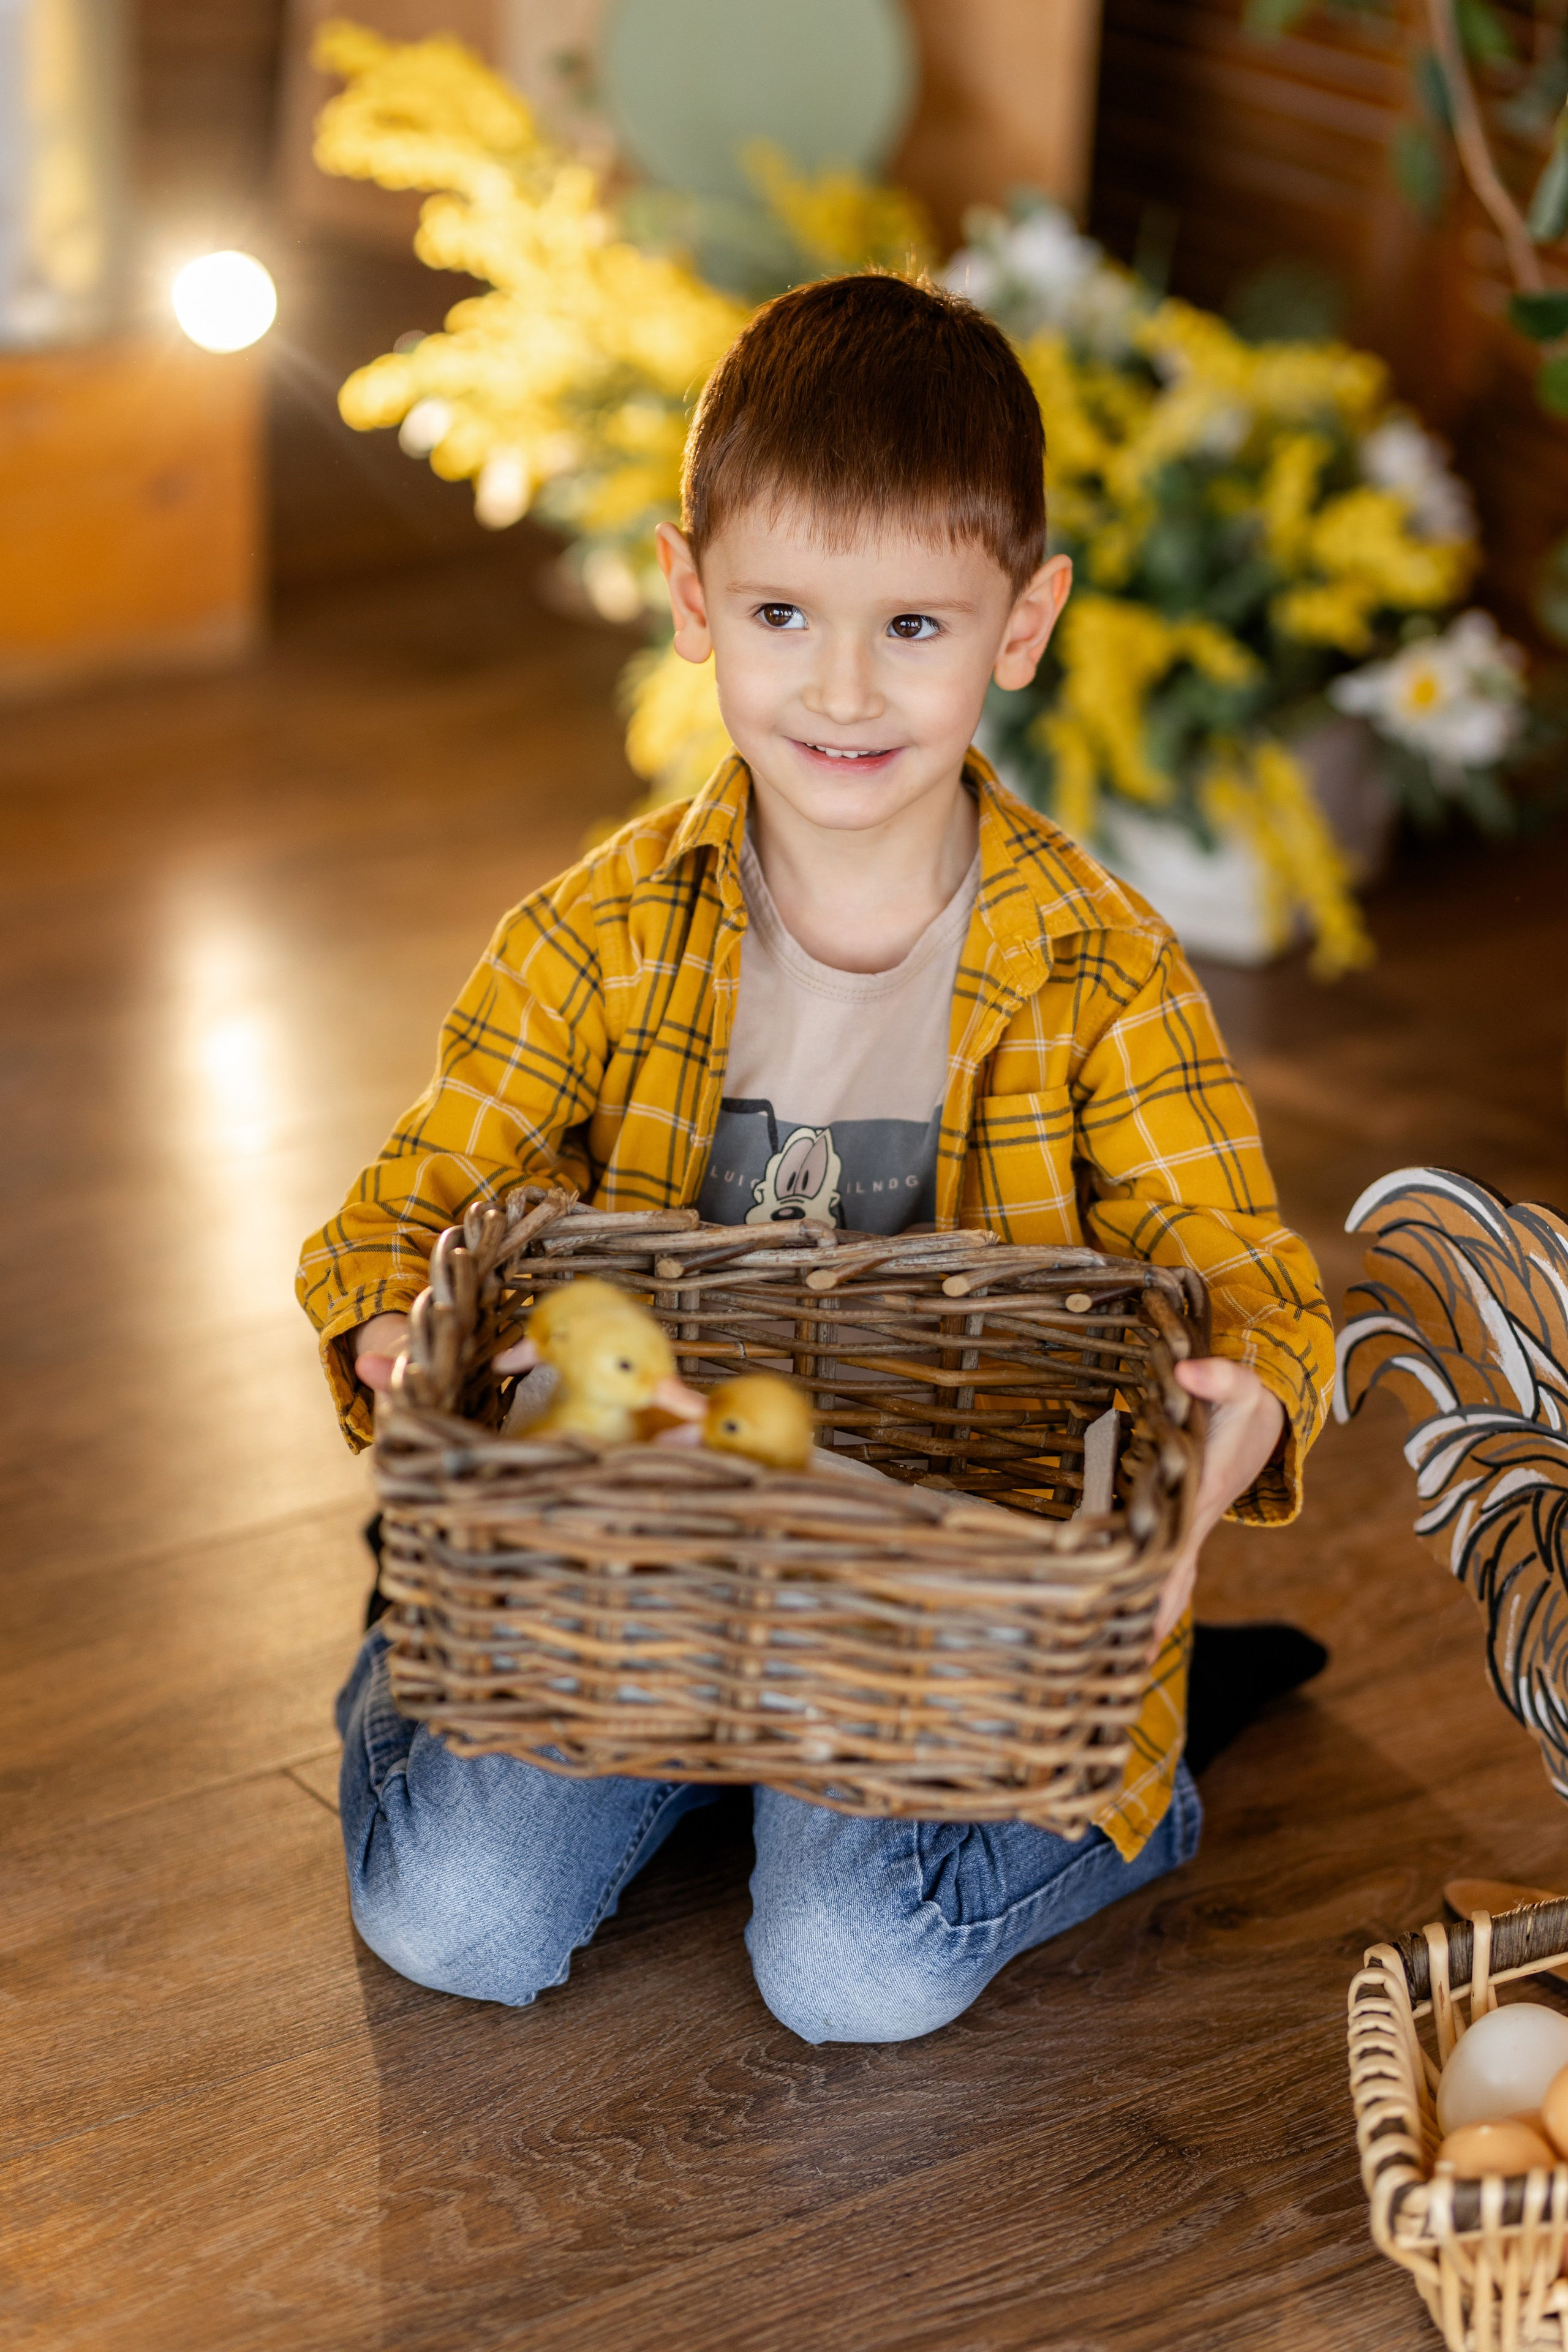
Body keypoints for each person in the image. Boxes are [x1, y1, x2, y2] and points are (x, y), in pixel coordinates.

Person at [298, 273, 1334, 2045]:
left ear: (1023, 622)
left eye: (915, 625)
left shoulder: (1100, 970)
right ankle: (508, 1683)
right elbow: (403, 1225)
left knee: (855, 1973)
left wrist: (1225, 1439)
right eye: (784, 612)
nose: (845, 687)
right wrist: (418, 1364)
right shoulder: (596, 935)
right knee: (454, 1918)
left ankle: (1130, 1789)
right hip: (632, 1579)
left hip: (930, 1609)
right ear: (693, 598)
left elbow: (1250, 1291)